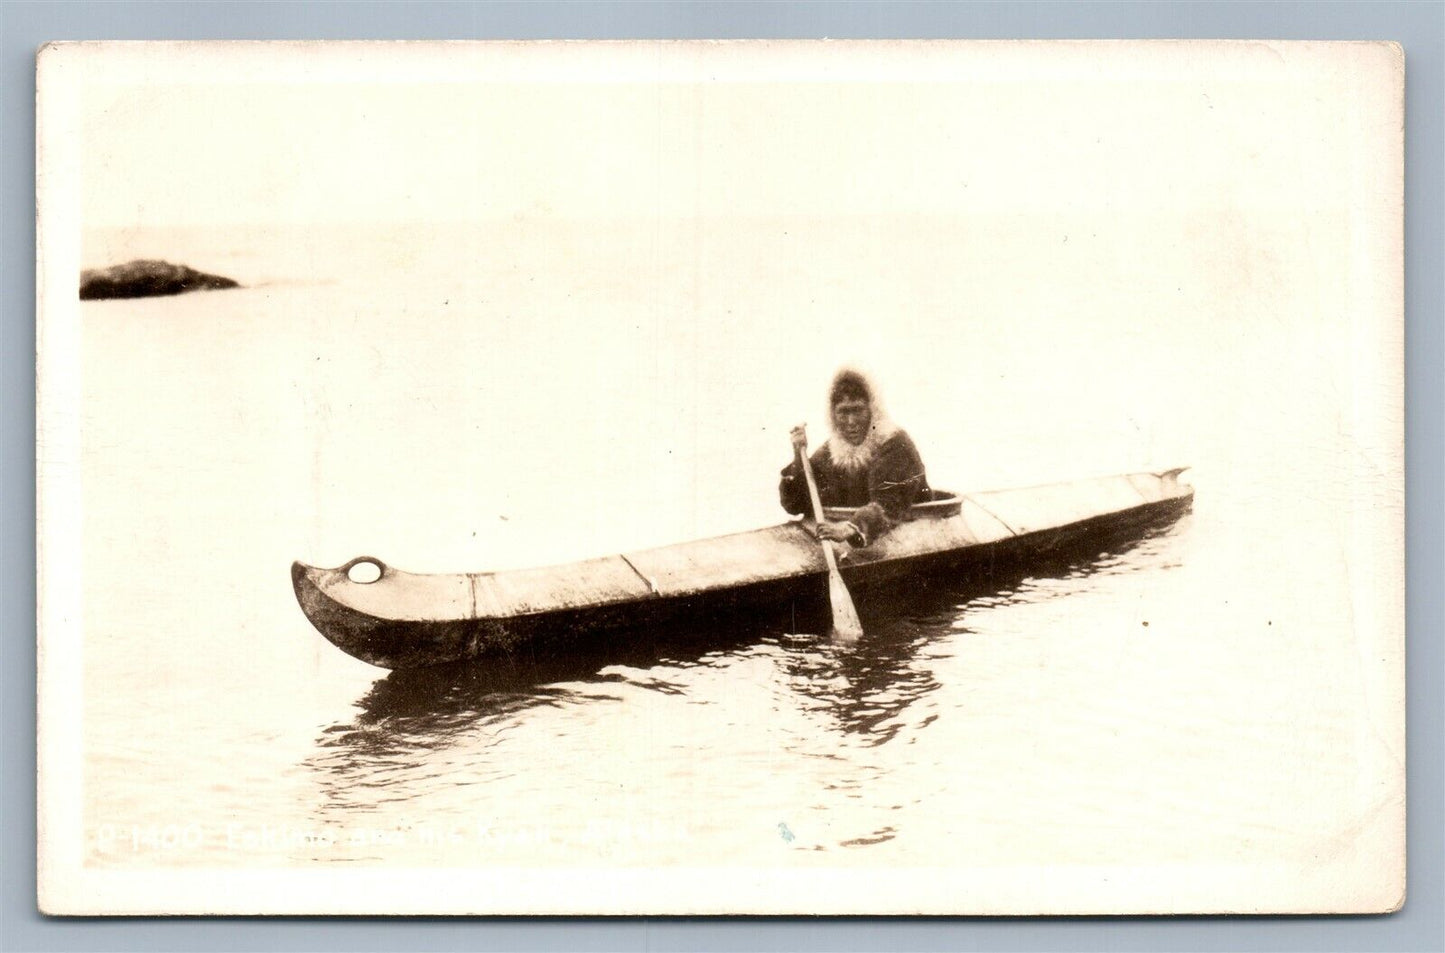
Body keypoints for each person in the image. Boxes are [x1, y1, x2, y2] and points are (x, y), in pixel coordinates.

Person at [779, 368, 930, 549]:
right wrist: (798, 455)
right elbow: (795, 505)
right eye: (843, 412)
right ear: (833, 415)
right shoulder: (830, 452)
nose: (851, 422)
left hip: (913, 537)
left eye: (857, 411)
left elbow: (889, 503)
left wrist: (851, 528)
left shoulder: (895, 444)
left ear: (872, 410)